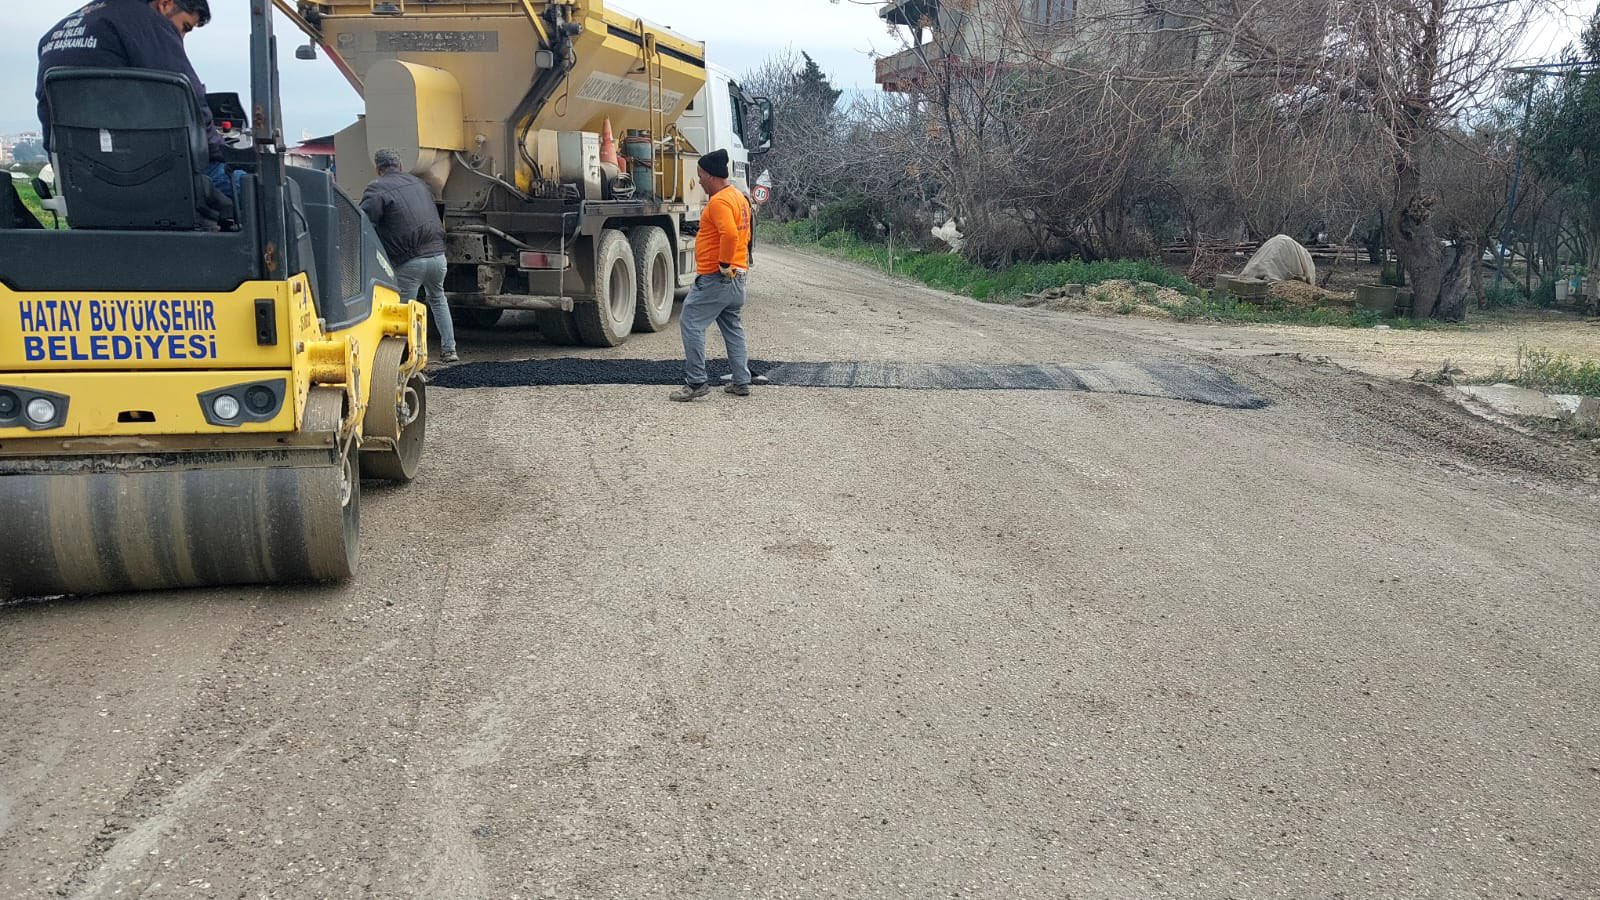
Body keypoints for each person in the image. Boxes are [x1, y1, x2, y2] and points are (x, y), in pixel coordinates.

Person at [36, 0, 231, 199]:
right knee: (251, 185)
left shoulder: (54, 35)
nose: (180, 38)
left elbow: (46, 109)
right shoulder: (146, 22)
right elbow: (190, 97)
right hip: (148, 176)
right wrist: (221, 153)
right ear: (165, 4)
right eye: (184, 27)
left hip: (81, 182)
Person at [361, 149, 458, 363]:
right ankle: (449, 349)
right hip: (437, 255)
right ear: (400, 166)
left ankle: (406, 355)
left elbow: (364, 222)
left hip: (410, 259)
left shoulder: (377, 189)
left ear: (378, 169)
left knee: (405, 309)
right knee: (438, 298)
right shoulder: (420, 184)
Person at [672, 149, 754, 401]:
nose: (698, 181)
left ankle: (696, 382)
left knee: (690, 322)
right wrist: (735, 265)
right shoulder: (738, 197)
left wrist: (723, 264)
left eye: (700, 176)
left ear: (710, 175)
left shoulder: (719, 202)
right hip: (737, 276)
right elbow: (745, 233)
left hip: (718, 278)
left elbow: (729, 233)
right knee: (732, 327)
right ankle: (741, 381)